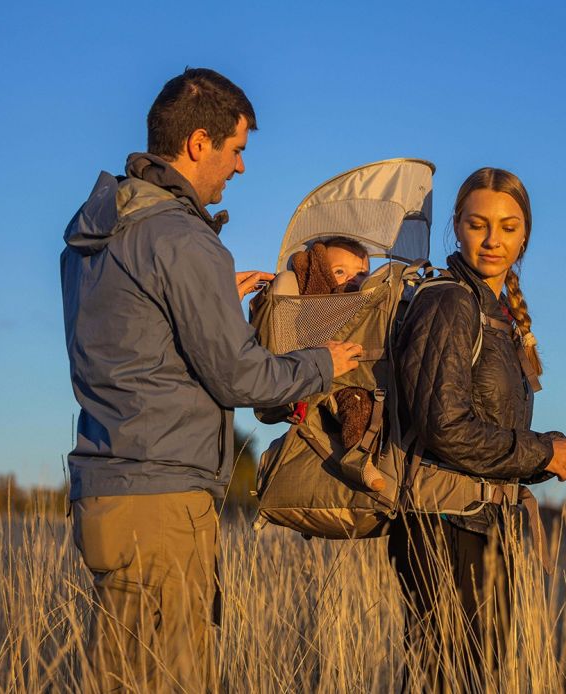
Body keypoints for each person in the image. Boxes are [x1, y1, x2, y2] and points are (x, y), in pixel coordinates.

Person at [60, 68, 362, 691]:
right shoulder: (181, 240)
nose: (240, 167)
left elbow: (131, 340)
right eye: (236, 149)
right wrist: (322, 364)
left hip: (108, 496)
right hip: (164, 501)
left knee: (120, 677)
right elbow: (240, 378)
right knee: (171, 679)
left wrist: (212, 299)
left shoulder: (100, 234)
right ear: (199, 143)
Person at [388, 167, 566, 691]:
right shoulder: (450, 301)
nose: (492, 240)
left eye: (508, 226)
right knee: (449, 680)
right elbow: (445, 427)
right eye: (478, 224)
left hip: (487, 527)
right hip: (445, 528)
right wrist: (540, 453)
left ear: (525, 234)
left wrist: (551, 451)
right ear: (457, 225)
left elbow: (487, 429)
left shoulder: (497, 314)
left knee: (476, 680)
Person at [289, 236, 385, 491]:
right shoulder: (318, 305)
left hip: (368, 375)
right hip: (337, 382)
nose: (352, 279)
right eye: (340, 272)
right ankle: (358, 459)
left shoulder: (370, 309)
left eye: (361, 274)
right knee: (357, 406)